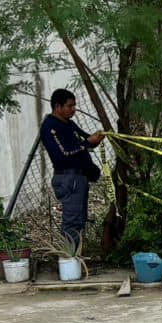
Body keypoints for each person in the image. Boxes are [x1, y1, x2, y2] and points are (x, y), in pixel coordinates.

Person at [39, 88, 105, 251]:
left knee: (80, 220)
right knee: (72, 221)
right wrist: (88, 142)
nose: (73, 109)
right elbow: (63, 154)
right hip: (69, 179)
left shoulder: (69, 124)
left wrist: (95, 139)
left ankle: (76, 258)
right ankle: (69, 260)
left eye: (74, 105)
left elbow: (85, 139)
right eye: (70, 106)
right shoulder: (50, 127)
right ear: (57, 106)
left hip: (79, 178)